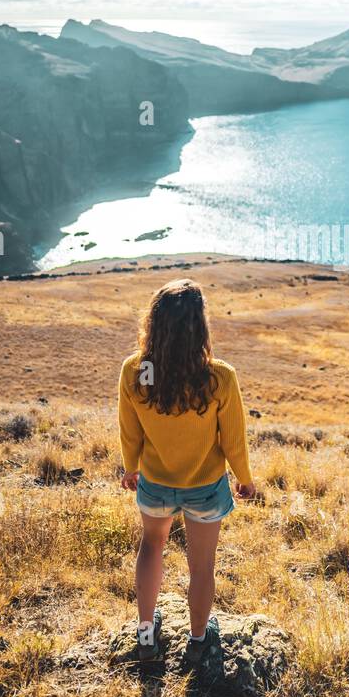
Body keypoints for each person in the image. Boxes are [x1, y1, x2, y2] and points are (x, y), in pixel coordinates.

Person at [118, 279, 255, 667]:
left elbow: (131, 431)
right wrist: (244, 478)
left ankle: (147, 636)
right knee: (202, 565)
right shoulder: (219, 378)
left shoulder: (135, 372)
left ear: (154, 323)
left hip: (156, 483)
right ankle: (197, 641)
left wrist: (131, 467)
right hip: (205, 488)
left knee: (151, 547)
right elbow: (233, 441)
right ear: (200, 326)